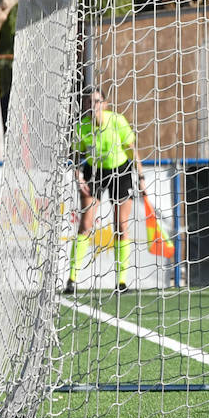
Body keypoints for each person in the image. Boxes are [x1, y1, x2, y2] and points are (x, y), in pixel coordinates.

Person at [68, 88, 146, 294]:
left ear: (105, 104)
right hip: (94, 172)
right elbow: (76, 155)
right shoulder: (81, 127)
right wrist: (79, 177)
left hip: (120, 171)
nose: (93, 106)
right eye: (89, 103)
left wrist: (141, 177)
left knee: (120, 225)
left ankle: (121, 281)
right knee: (86, 223)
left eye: (97, 101)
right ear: (85, 107)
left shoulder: (117, 121)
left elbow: (131, 150)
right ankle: (72, 278)